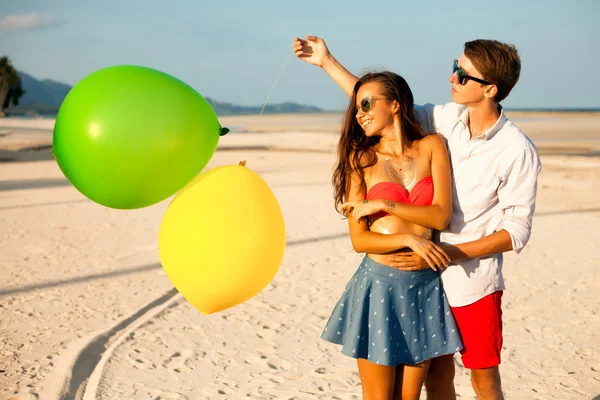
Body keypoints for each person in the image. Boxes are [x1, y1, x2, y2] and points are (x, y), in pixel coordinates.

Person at [294, 36, 542, 400]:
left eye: (462, 74)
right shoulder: (446, 120)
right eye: (455, 68)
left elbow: (517, 230)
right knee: (438, 378)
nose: (452, 78)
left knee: (483, 378)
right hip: (424, 279)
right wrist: (327, 62)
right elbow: (380, 104)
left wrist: (451, 253)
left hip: (471, 280)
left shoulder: (517, 150)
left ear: (490, 89)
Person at [319, 69, 464, 400]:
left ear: (396, 104)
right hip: (378, 287)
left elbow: (440, 214)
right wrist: (409, 239)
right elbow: (360, 241)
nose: (359, 114)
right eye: (357, 108)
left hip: (425, 287)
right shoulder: (360, 159)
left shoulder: (432, 146)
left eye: (366, 104)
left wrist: (385, 203)